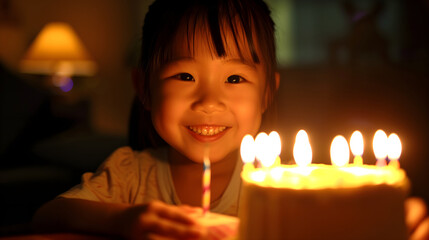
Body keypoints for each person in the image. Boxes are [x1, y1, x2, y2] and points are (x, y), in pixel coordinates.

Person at [32, 0, 429, 239]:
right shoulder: (129, 175)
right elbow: (47, 214)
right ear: (144, 88)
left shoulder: (284, 188)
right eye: (184, 76)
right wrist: (127, 220)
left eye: (235, 78)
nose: (209, 101)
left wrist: (388, 217)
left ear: (268, 91)